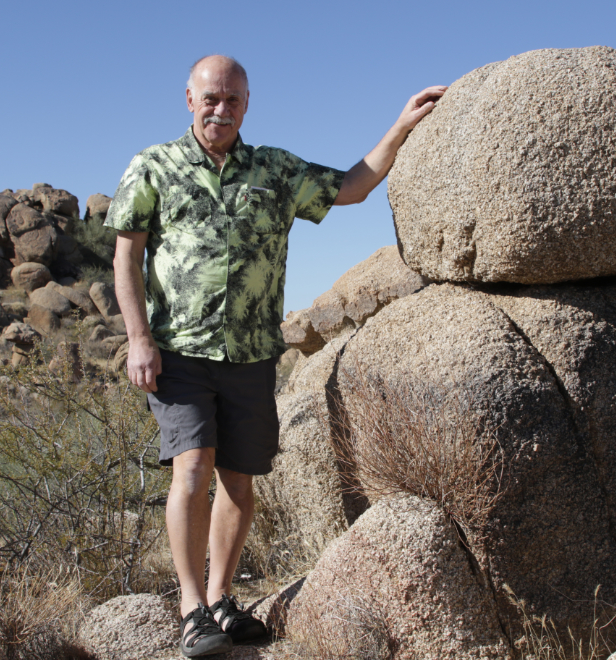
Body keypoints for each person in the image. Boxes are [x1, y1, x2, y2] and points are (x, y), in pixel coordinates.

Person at [105, 54, 444, 657]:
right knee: (192, 466)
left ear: (247, 103)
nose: (221, 109)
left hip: (253, 353)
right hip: (180, 350)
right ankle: (190, 609)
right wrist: (138, 339)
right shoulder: (151, 166)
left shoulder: (274, 169)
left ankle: (219, 599)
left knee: (240, 478)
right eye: (211, 98)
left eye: (233, 99)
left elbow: (352, 186)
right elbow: (125, 258)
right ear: (189, 98)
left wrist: (402, 124)